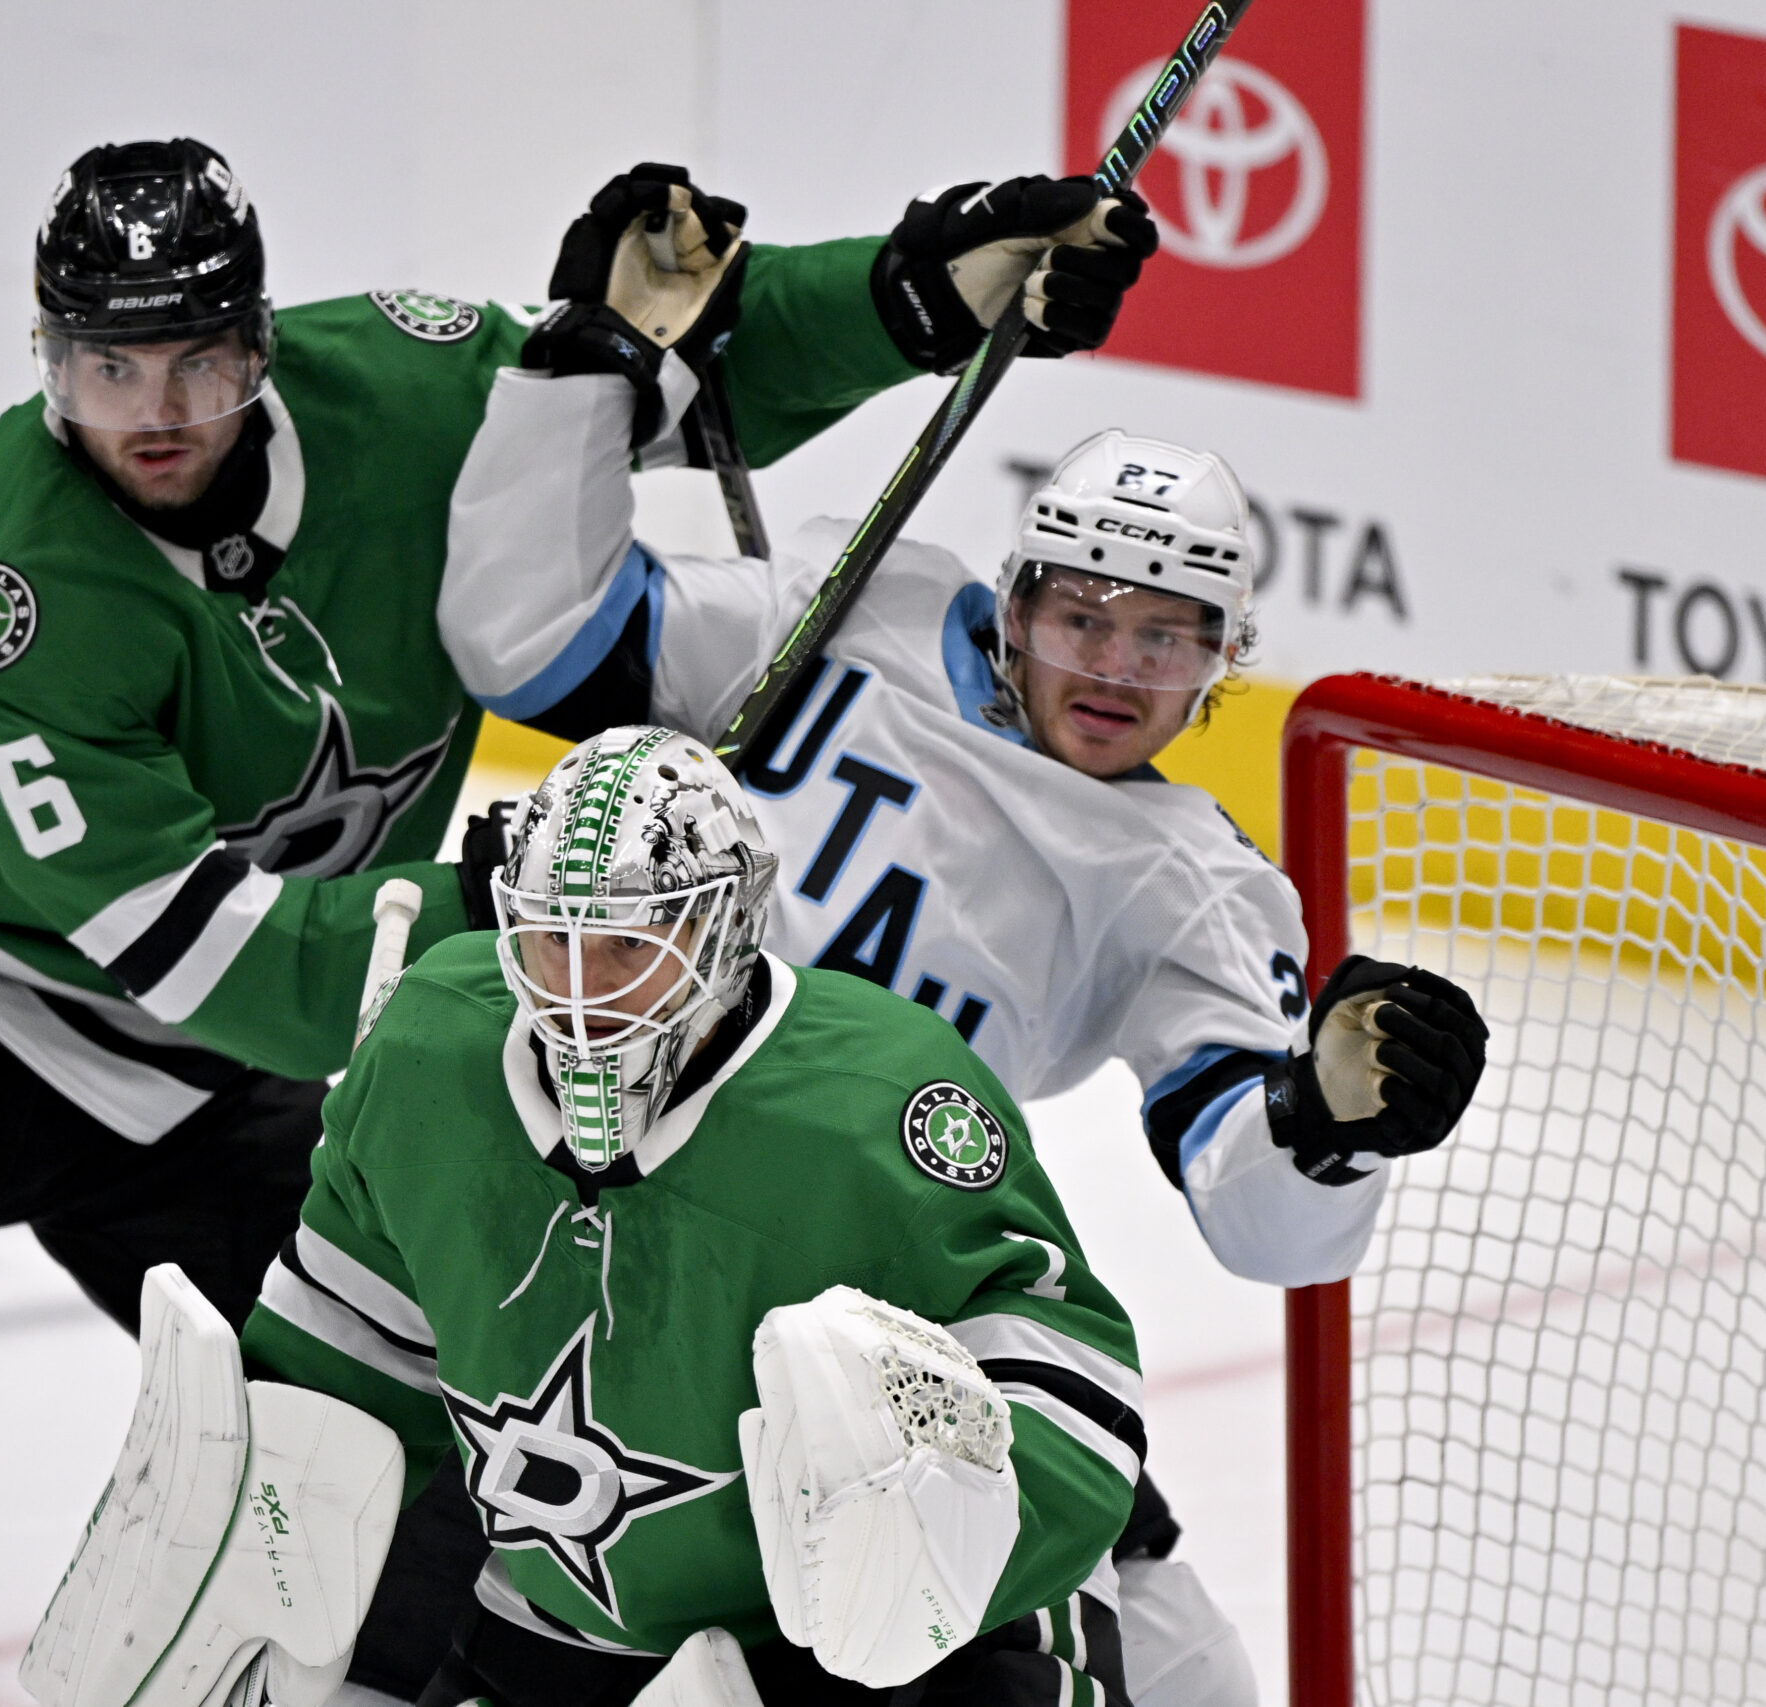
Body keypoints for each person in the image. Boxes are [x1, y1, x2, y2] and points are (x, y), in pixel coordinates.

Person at [0, 141, 1163, 1707]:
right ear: (48, 363)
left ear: (262, 347)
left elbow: (675, 375)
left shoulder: (413, 396)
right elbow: (220, 961)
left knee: (475, 1491)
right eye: (108, 367)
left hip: (204, 1085)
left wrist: (930, 288)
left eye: (197, 362)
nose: (155, 413)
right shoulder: (10, 597)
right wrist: (506, 907)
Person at [435, 325, 1490, 1702]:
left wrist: (1327, 1122)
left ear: (1227, 658)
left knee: (1192, 1675)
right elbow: (528, 642)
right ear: (1014, 601)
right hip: (607, 1166)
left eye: (1168, 639)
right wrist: (586, 365)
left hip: (876, 1270)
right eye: (1083, 618)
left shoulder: (1189, 883)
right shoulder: (849, 609)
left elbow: (1260, 1214)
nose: (1115, 669)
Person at [26, 727, 1150, 1707]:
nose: (574, 988)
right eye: (548, 936)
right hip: (568, 1619)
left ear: (724, 934)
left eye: (624, 945)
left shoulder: (884, 1103)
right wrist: (226, 1562)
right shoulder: (428, 1051)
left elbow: (1072, 1369)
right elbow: (343, 1358)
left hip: (900, 1650)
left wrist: (938, 1556)